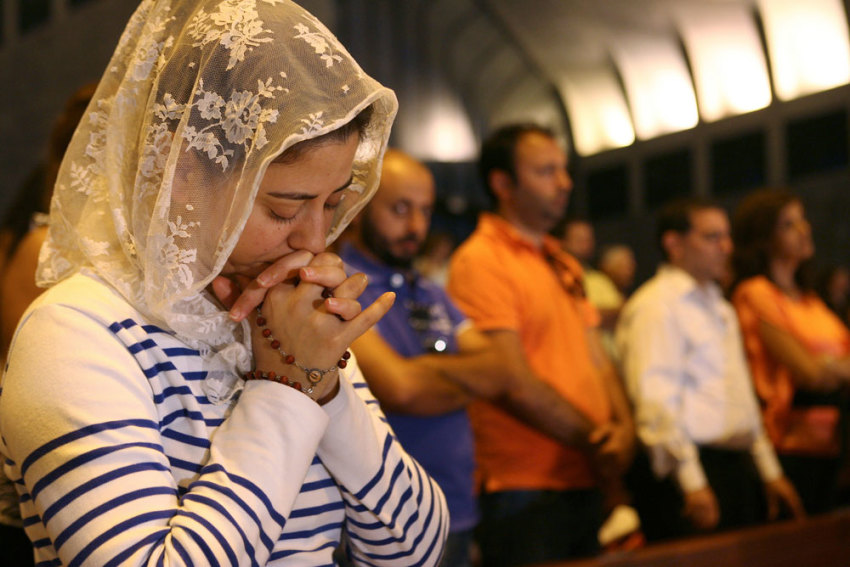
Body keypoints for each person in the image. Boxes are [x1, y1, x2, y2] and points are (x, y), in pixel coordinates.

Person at [0, 2, 449, 566]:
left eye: (334, 203)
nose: (313, 241)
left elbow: (416, 549)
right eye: (286, 207)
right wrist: (285, 389)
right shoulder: (75, 333)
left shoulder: (287, 314)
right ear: (179, 172)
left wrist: (326, 389)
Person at [447, 124, 637, 566]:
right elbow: (511, 382)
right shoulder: (481, 260)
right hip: (524, 484)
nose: (564, 182)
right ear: (502, 184)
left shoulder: (562, 261)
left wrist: (624, 431)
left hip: (586, 470)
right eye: (546, 171)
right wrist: (597, 439)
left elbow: (599, 358)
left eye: (564, 170)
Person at [615, 197, 804, 541]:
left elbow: (742, 398)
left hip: (732, 463)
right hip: (688, 469)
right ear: (674, 244)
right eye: (712, 237)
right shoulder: (656, 305)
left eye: (727, 236)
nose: (726, 247)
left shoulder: (718, 306)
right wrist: (692, 481)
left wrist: (768, 470)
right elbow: (656, 400)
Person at [340, 148, 494, 567]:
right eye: (400, 208)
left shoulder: (429, 289)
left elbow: (496, 369)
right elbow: (402, 390)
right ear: (359, 205)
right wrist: (459, 376)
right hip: (385, 524)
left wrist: (429, 375)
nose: (416, 227)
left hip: (458, 507)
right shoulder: (338, 284)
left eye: (425, 211)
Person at [731, 188, 850, 515]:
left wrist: (828, 365)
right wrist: (829, 366)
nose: (804, 230)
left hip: (834, 443)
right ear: (763, 239)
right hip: (790, 446)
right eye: (788, 225)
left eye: (802, 220)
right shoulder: (756, 292)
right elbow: (808, 373)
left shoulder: (810, 299)